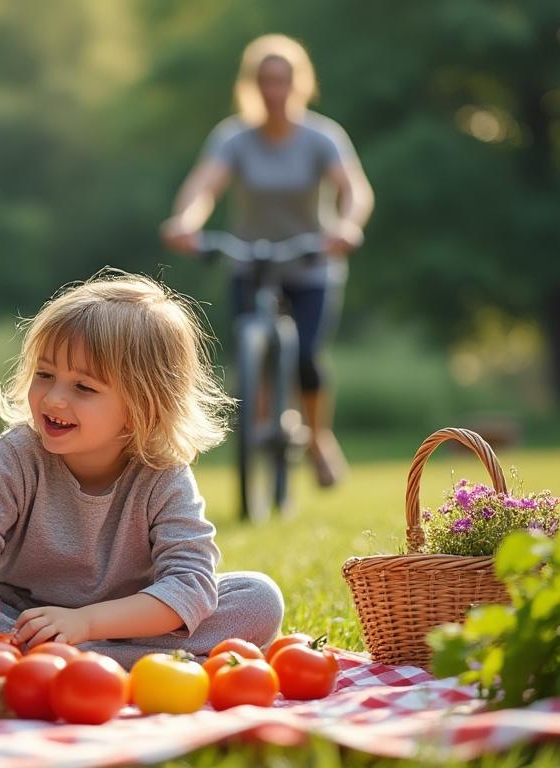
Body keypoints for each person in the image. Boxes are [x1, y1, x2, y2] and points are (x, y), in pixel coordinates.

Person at [0, 272, 285, 669]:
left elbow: (191, 583)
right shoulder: (18, 453)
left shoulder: (163, 475)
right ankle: (127, 661)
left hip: (128, 619)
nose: (53, 398)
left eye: (83, 387)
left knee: (259, 599)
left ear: (142, 409)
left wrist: (86, 623)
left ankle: (76, 658)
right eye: (45, 375)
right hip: (19, 614)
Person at [161, 33, 374, 487]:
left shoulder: (322, 136)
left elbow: (354, 188)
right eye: (264, 80)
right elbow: (204, 186)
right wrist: (186, 220)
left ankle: (318, 439)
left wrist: (346, 225)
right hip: (252, 261)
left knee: (307, 359)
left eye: (282, 80)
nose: (273, 90)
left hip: (311, 262)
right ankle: (264, 430)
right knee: (249, 355)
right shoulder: (235, 137)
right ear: (252, 85)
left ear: (299, 83)